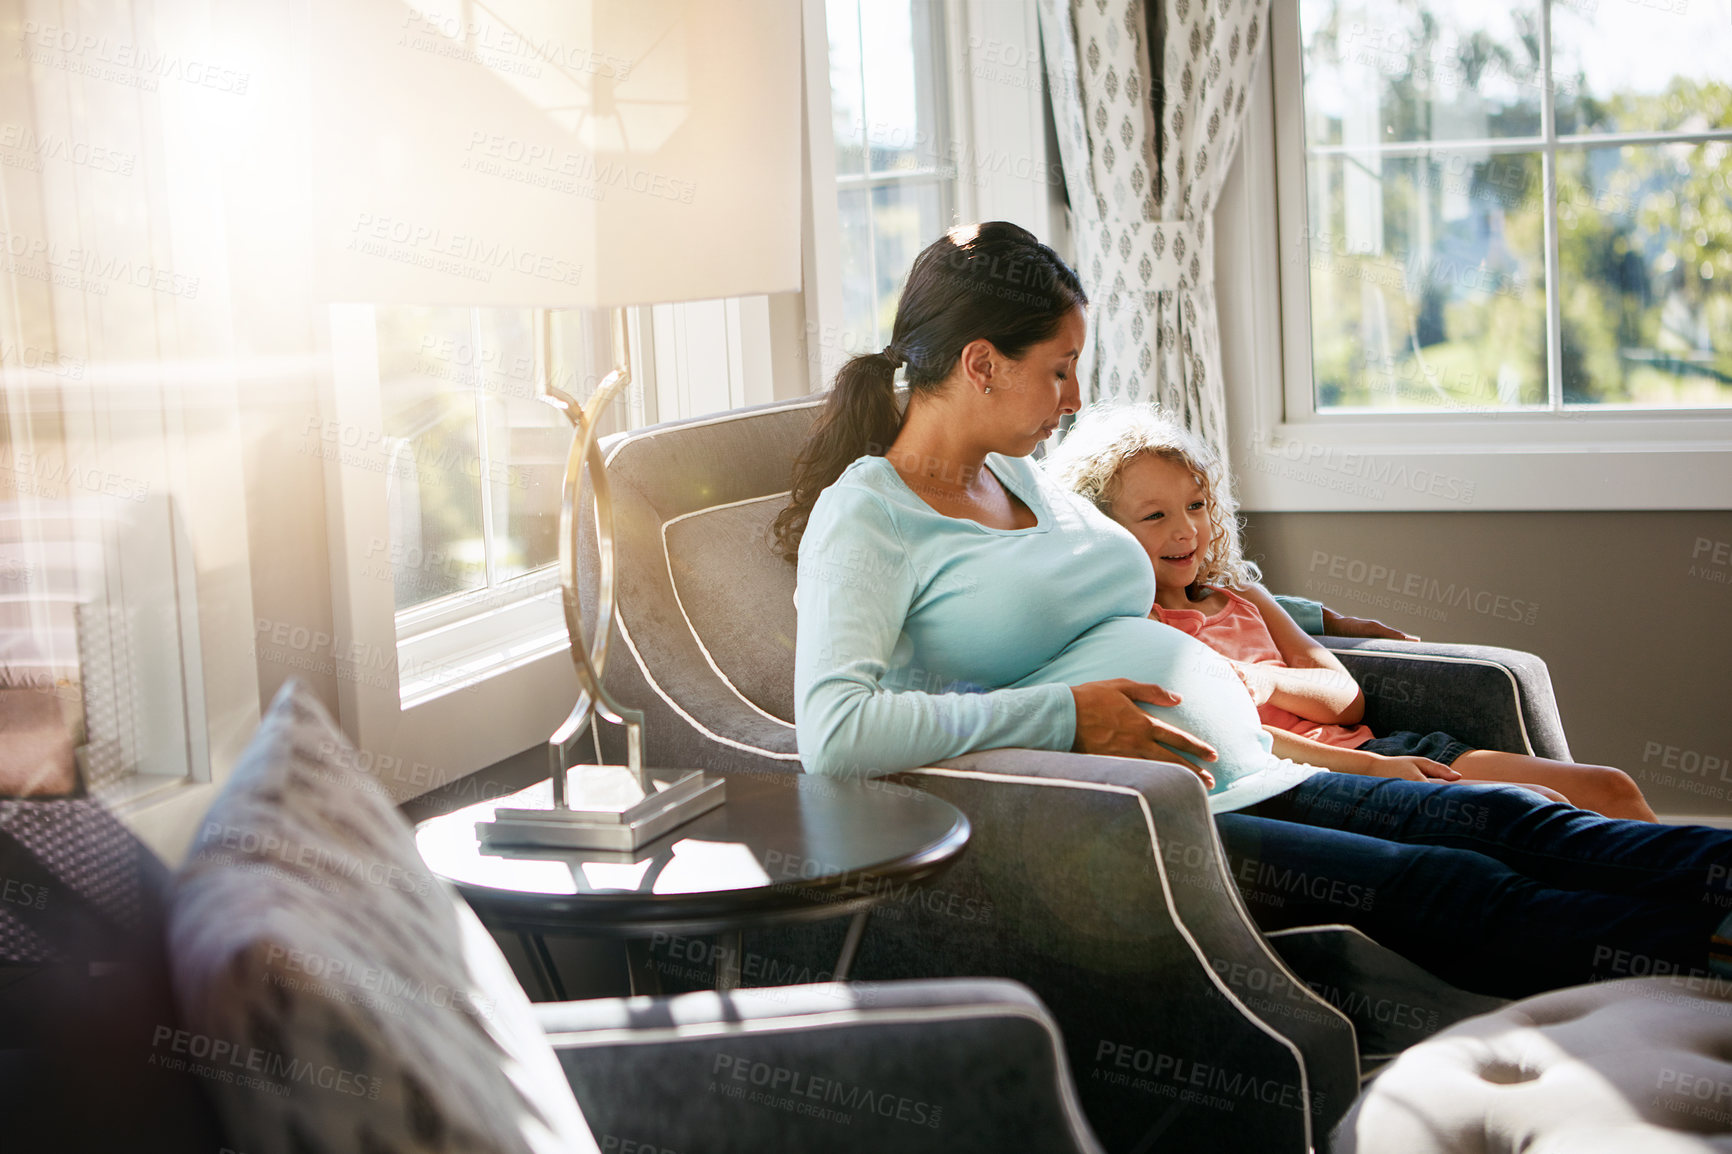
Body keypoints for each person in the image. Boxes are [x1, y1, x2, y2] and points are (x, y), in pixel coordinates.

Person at [779, 221, 1732, 999]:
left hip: (1258, 763)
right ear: (982, 364)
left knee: (1513, 824)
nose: (1076, 397)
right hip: (1148, 825)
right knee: (1462, 887)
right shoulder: (867, 518)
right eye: (1060, 368)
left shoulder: (1019, 473)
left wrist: (1315, 618)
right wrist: (1067, 714)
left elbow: (1162, 581)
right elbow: (836, 733)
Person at [1043, 404, 1658, 822]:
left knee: (1608, 789)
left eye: (1198, 505)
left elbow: (1346, 698)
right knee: (1536, 808)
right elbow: (1234, 744)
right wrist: (1368, 765)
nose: (1187, 530)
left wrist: (1265, 679)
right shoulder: (1134, 633)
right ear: (1102, 530)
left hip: (1386, 744)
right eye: (1155, 516)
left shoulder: (1244, 599)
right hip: (1316, 774)